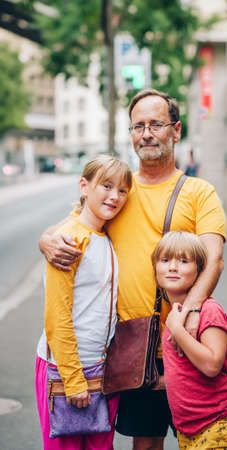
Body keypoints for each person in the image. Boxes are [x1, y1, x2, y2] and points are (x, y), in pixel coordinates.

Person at [39, 89, 226, 450]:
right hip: (136, 351)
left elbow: (213, 259)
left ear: (176, 130)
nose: (146, 133)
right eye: (138, 126)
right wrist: (45, 239)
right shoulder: (119, 191)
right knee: (146, 444)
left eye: (156, 124)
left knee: (205, 439)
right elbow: (74, 227)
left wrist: (189, 314)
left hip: (189, 344)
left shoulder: (199, 192)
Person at [35, 155, 132, 450]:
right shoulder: (69, 241)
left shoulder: (108, 235)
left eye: (123, 190)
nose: (115, 196)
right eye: (106, 185)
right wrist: (74, 379)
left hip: (103, 369)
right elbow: (57, 315)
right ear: (84, 186)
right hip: (64, 369)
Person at [152, 231, 227, 449]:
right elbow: (185, 371)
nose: (173, 267)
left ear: (199, 271)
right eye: (165, 260)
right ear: (155, 268)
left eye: (184, 261)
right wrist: (158, 382)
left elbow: (211, 365)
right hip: (190, 431)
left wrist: (177, 329)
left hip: (218, 425)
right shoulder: (174, 312)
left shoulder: (208, 310)